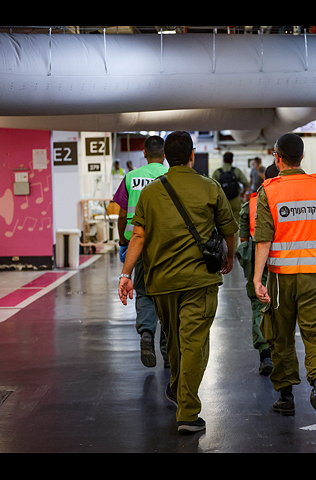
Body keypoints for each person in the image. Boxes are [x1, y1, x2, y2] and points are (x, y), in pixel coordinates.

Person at [118, 131, 238, 435]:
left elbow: (139, 236)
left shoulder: (149, 193)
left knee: (174, 341)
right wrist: (230, 256)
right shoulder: (209, 187)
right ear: (192, 156)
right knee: (193, 343)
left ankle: (176, 386)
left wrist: (126, 273)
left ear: (164, 157)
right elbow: (228, 230)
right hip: (199, 281)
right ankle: (187, 412)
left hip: (162, 283)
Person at [253, 133, 316, 434]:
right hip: (313, 278)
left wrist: (257, 278)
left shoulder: (270, 190)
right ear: (301, 157)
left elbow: (263, 239)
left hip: (280, 280)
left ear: (278, 157)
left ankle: (286, 397)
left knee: (281, 336)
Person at [113, 136, 169, 369]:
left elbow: (122, 214)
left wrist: (122, 241)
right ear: (164, 155)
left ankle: (147, 334)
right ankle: (168, 353)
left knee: (144, 292)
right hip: (166, 247)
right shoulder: (170, 177)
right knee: (167, 295)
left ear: (144, 154)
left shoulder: (130, 177)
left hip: (139, 246)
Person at [236, 166, 279, 377]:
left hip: (256, 257)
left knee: (259, 305)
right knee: (283, 304)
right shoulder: (283, 199)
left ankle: (265, 355)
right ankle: (282, 352)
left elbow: (243, 239)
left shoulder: (250, 203)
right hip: (283, 258)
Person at [213, 152, 249, 227]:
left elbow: (212, 187)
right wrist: (242, 194)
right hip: (235, 201)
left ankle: (224, 239)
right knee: (235, 223)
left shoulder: (217, 172)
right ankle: (234, 238)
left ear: (223, 160)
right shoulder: (236, 171)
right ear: (232, 160)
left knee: (222, 223)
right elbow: (246, 184)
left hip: (222, 202)